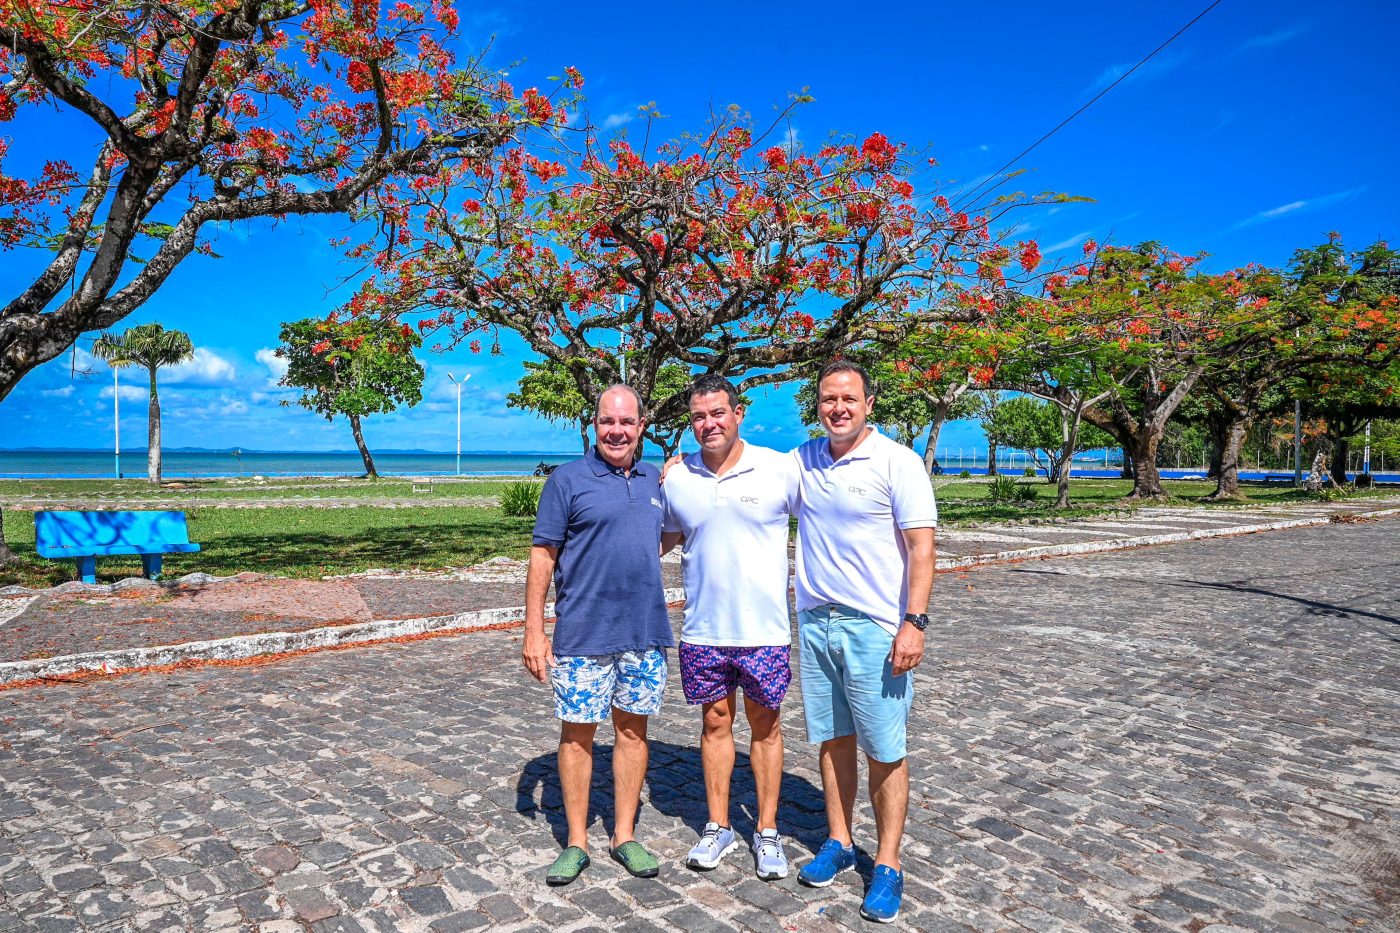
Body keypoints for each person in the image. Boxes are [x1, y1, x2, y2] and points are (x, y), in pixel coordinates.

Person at [792, 360, 937, 924]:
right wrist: (678, 466)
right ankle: (838, 839)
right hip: (814, 622)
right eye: (829, 399)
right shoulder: (803, 459)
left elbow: (922, 550)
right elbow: (745, 471)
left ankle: (889, 863)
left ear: (869, 403)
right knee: (831, 741)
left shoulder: (896, 462)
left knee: (884, 748)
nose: (839, 408)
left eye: (849, 399)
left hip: (875, 626)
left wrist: (913, 623)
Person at [522, 384, 674, 886]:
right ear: (594, 424)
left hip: (644, 632)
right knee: (577, 735)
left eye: (626, 422)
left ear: (641, 427)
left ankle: (624, 834)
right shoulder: (567, 480)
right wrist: (533, 630)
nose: (617, 430)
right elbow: (543, 555)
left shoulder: (655, 479)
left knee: (633, 733)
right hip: (583, 632)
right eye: (608, 421)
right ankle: (576, 842)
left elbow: (664, 535)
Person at [659, 375, 800, 880]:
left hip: (764, 628)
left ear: (739, 413)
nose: (708, 424)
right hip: (703, 629)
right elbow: (661, 538)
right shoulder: (677, 478)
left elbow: (828, 518)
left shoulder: (779, 469)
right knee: (715, 724)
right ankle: (717, 826)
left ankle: (766, 831)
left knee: (766, 725)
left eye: (717, 413)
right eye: (698, 416)